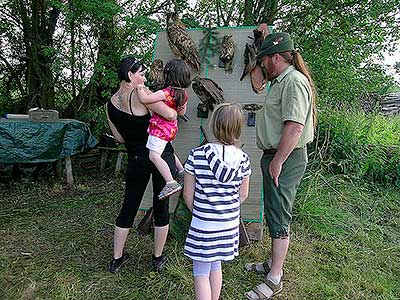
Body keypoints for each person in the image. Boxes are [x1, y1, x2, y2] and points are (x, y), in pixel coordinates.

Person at [244, 32, 317, 299]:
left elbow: (295, 127)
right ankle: (271, 264)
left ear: (275, 58)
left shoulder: (294, 82)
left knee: (279, 217)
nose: (263, 65)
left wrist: (277, 162)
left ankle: (275, 278)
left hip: (285, 157)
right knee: (274, 212)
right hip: (277, 156)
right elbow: (257, 83)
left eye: (264, 60)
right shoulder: (281, 81)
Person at [106, 55, 178, 273]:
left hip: (136, 159)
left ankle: (117, 259)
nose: (145, 78)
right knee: (161, 207)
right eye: (142, 73)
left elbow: (118, 138)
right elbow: (171, 114)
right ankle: (157, 258)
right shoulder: (144, 97)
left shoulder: (109, 105)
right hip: (161, 157)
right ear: (130, 75)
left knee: (129, 206)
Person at [183, 103, 251, 300]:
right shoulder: (244, 159)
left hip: (203, 224)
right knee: (216, 265)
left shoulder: (197, 155)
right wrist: (225, 210)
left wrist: (200, 212)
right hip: (228, 226)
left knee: (200, 273)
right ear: (238, 128)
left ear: (214, 125)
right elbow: (243, 195)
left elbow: (188, 195)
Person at [136, 59, 191, 200]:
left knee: (154, 156)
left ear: (169, 75)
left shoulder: (165, 93)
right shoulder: (184, 94)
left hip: (160, 129)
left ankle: (170, 182)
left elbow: (145, 100)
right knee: (168, 150)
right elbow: (181, 113)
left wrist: (140, 87)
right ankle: (182, 171)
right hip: (171, 130)